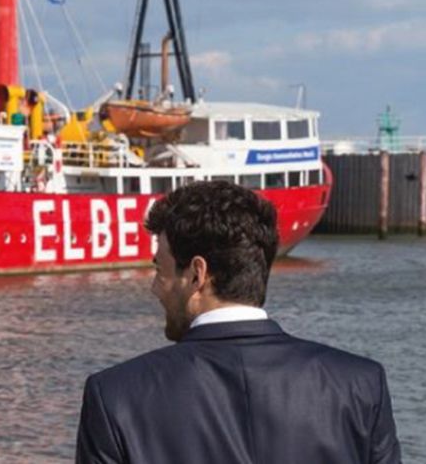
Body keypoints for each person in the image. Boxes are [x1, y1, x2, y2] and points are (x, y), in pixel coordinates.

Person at [75, 181, 401, 464]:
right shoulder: (361, 384)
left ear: (197, 274)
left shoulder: (115, 396)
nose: (155, 288)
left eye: (160, 270)